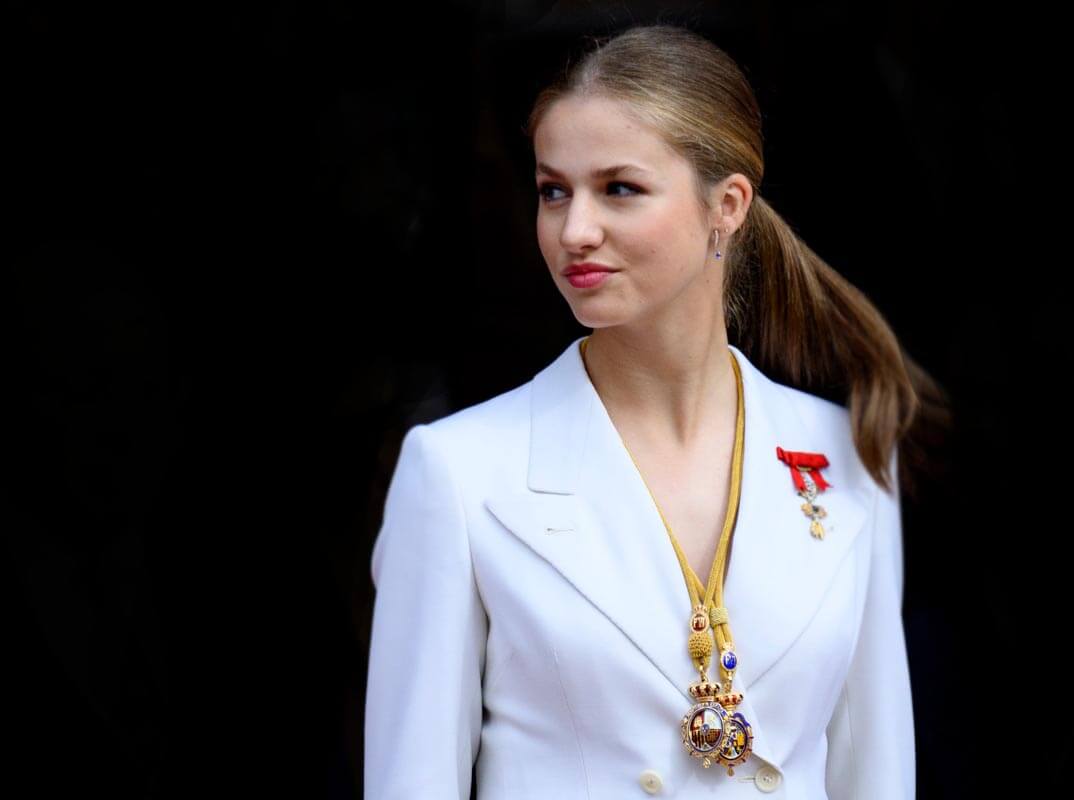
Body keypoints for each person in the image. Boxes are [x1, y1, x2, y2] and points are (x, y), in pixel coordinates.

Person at [365, 22, 943, 799]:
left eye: (620, 189)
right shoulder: (460, 472)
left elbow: (877, 771)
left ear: (728, 205)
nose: (574, 230)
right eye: (552, 191)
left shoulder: (847, 453)